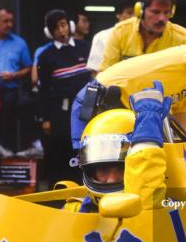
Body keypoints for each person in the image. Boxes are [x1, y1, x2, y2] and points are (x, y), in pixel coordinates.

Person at [67, 81, 171, 212]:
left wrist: (146, 139)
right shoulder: (72, 210)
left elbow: (145, 202)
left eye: (123, 170)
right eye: (103, 170)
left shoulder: (172, 210)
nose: (111, 180)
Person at [38, 9, 92, 187]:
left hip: (86, 109)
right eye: (55, 28)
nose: (61, 31)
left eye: (62, 25)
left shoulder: (85, 47)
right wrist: (46, 118)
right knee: (61, 150)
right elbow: (43, 89)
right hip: (60, 112)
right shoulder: (46, 56)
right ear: (49, 32)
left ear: (69, 25)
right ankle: (59, 189)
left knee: (84, 148)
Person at [98, 0, 186, 72]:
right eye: (155, 12)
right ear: (140, 10)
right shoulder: (120, 32)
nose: (162, 18)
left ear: (172, 12)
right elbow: (105, 73)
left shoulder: (184, 38)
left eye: (166, 12)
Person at [0, 7, 32, 157]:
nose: (9, 24)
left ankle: (4, 146)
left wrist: (14, 75)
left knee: (10, 107)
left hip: (9, 89)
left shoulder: (20, 43)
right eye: (5, 21)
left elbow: (29, 68)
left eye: (11, 21)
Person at [87, 0, 137, 74]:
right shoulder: (102, 37)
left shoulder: (146, 37)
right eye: (129, 13)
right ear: (118, 14)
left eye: (137, 13)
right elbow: (96, 72)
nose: (134, 17)